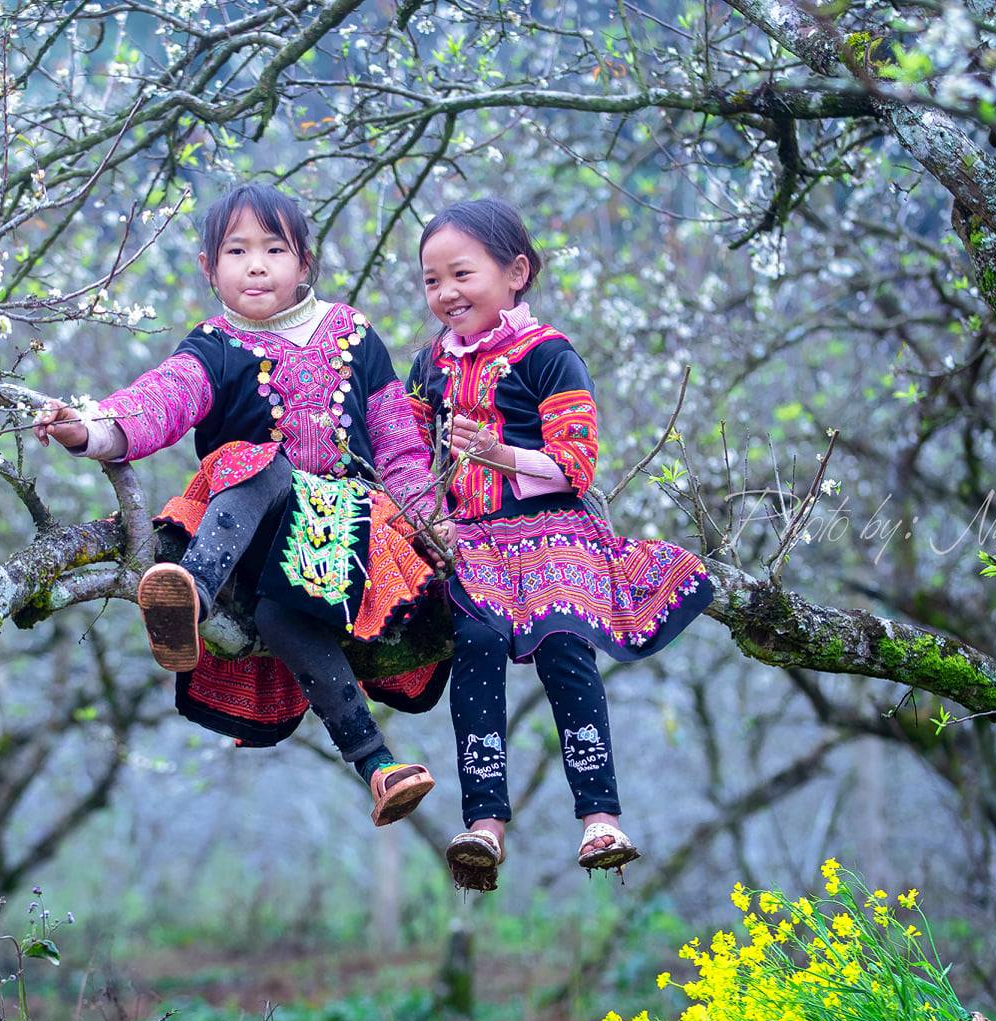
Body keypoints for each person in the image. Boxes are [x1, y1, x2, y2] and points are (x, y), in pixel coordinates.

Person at [35, 184, 444, 826]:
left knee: (283, 617)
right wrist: (87, 429)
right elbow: (158, 403)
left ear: (304, 262)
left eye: (274, 249)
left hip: (339, 540)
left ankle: (377, 765)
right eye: (237, 251)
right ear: (209, 267)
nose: (256, 265)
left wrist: (434, 531)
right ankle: (187, 597)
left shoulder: (355, 335)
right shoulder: (214, 344)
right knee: (257, 462)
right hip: (246, 539)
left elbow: (399, 447)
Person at [409, 199, 713, 890]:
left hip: (552, 534)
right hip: (472, 541)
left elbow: (575, 464)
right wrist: (426, 513)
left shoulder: (549, 355)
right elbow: (407, 452)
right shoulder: (430, 365)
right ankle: (485, 823)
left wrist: (499, 455)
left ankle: (601, 817)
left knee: (565, 645)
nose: (446, 292)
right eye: (431, 280)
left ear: (515, 272)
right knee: (475, 645)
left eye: (462, 273)